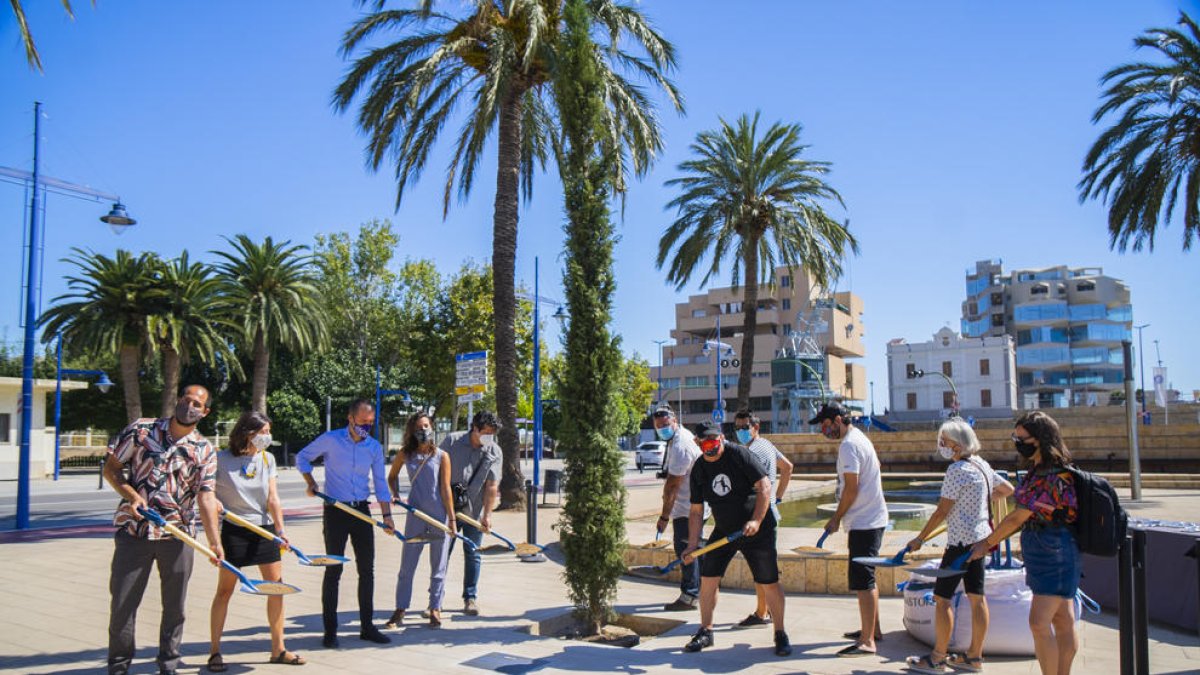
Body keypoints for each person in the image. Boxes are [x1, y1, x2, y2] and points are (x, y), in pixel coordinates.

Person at [104, 385, 222, 675]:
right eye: (187, 399)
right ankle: (118, 667)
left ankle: (168, 666)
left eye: (197, 404)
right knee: (122, 605)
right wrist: (133, 497)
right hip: (135, 532)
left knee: (175, 609)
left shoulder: (204, 450)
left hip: (178, 536)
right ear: (178, 400)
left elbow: (206, 497)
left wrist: (214, 542)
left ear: (205, 412)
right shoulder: (141, 430)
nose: (190, 406)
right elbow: (111, 469)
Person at [970, 411, 1080, 675]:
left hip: (1055, 550)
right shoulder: (1038, 470)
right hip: (1045, 548)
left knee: (1039, 623)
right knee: (1062, 619)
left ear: (1041, 438)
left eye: (1022, 438)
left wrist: (987, 543)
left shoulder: (1051, 474)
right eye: (1015, 437)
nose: (1018, 442)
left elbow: (1017, 517)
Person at [903, 418, 1013, 674]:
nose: (941, 445)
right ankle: (974, 657)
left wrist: (919, 538)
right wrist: (982, 502)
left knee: (942, 599)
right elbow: (1007, 489)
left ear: (956, 444)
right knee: (977, 598)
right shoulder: (982, 464)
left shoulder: (956, 471)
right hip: (980, 541)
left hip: (959, 544)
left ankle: (938, 658)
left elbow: (942, 510)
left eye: (945, 441)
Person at [681, 421, 791, 657]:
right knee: (708, 577)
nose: (712, 447)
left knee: (769, 580)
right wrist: (692, 545)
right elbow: (696, 512)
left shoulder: (739, 454)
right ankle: (706, 630)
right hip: (725, 530)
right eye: (706, 443)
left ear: (721, 438)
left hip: (757, 527)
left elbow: (764, 486)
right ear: (698, 443)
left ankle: (780, 633)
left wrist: (756, 521)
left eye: (715, 441)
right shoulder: (699, 469)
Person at [207, 411, 304, 671]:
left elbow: (273, 498)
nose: (267, 437)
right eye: (262, 432)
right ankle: (215, 651)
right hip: (234, 531)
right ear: (246, 432)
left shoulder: (267, 459)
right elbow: (205, 493)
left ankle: (279, 649)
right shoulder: (221, 460)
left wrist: (281, 530)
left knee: (276, 589)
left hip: (264, 531)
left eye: (268, 432)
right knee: (224, 591)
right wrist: (213, 502)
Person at [296, 399, 394, 647]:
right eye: (363, 422)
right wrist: (310, 482)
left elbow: (381, 483)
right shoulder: (331, 439)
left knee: (367, 571)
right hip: (336, 511)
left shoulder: (373, 447)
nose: (367, 427)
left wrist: (387, 516)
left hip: (361, 510)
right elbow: (302, 458)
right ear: (350, 419)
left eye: (371, 423)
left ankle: (367, 627)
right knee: (334, 569)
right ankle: (330, 631)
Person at [812, 401, 888, 658]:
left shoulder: (849, 446)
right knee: (868, 577)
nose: (824, 431)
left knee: (863, 581)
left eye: (825, 425)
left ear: (838, 420)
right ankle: (873, 630)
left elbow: (852, 489)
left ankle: (867, 642)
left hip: (864, 522)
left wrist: (836, 518)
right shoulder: (858, 439)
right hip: (870, 519)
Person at [386, 412, 455, 628]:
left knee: (439, 566)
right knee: (407, 566)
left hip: (438, 516)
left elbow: (445, 488)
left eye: (426, 426)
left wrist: (451, 519)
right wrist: (395, 494)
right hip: (415, 516)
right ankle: (400, 609)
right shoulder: (405, 454)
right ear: (412, 431)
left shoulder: (442, 456)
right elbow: (392, 476)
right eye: (419, 427)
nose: (423, 430)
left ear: (432, 428)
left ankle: (435, 607)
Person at [731, 409, 793, 628]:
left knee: (762, 569)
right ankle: (764, 611)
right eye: (737, 428)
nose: (740, 432)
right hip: (770, 513)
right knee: (765, 567)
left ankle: (762, 613)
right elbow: (788, 468)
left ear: (755, 427)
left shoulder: (751, 452)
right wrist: (778, 498)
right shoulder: (767, 444)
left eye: (744, 427)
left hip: (758, 517)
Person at [442, 410, 501, 616]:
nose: (489, 437)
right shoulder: (451, 442)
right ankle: (435, 599)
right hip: (448, 510)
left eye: (492, 433)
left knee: (473, 554)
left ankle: (470, 598)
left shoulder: (494, 450)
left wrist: (487, 515)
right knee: (442, 553)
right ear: (474, 428)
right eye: (486, 432)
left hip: (473, 512)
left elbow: (492, 485)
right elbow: (436, 471)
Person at [652, 405, 708, 612]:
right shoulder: (680, 437)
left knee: (686, 550)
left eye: (666, 425)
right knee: (696, 549)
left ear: (674, 420)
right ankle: (701, 590)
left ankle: (690, 596)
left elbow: (672, 486)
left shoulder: (680, 445)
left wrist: (664, 517)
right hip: (695, 504)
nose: (662, 429)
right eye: (659, 426)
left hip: (688, 508)